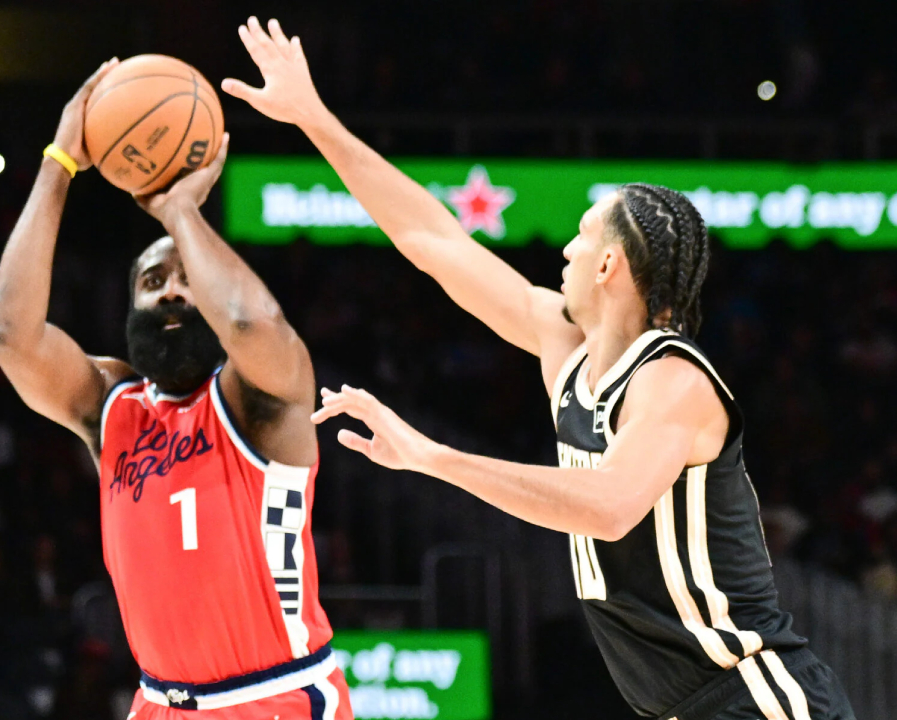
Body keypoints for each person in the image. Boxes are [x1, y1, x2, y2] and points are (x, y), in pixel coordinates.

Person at [223, 16, 854, 720]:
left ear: (611, 264)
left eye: (580, 238)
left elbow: (610, 508)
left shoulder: (673, 381)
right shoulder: (567, 348)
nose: (566, 252)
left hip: (755, 697)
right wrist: (314, 118)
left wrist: (431, 456)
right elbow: (430, 238)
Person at [0, 59, 351, 720]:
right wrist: (60, 162)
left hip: (275, 697)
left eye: (186, 278)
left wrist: (180, 212)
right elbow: (14, 336)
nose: (174, 291)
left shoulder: (262, 400)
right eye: (154, 282)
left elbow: (249, 320)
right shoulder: (111, 406)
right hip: (158, 704)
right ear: (129, 307)